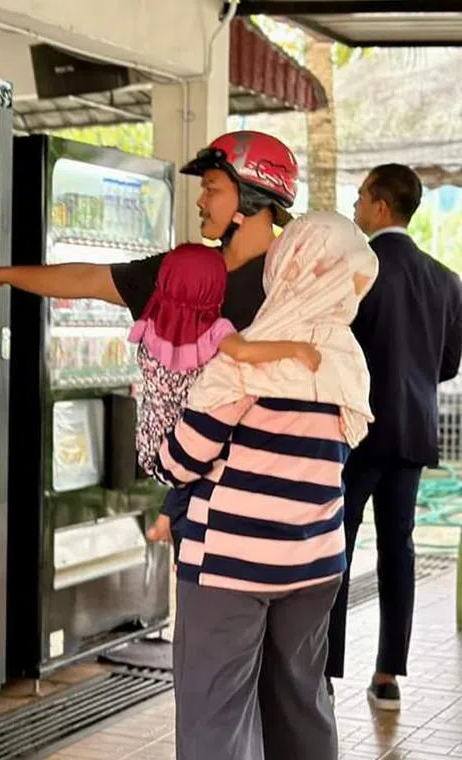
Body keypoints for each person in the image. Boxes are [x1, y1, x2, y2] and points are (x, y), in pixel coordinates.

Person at [0, 130, 300, 544]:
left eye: (211, 189)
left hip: (282, 490)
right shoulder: (182, 275)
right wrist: (1, 275)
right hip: (204, 492)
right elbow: (90, 278)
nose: (201, 201)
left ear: (251, 197)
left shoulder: (295, 278)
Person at [157, 210, 377, 759]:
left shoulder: (247, 356)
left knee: (218, 715)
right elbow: (339, 447)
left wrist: (161, 438)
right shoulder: (349, 360)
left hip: (231, 565)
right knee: (301, 701)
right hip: (317, 563)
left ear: (286, 266)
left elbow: (182, 461)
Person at [325, 164, 462, 710]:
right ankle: (388, 675)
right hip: (413, 432)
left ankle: (325, 669)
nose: (356, 205)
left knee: (335, 545)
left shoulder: (357, 273)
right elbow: (448, 365)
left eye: (361, 196)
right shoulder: (446, 279)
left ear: (382, 206)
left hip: (355, 431)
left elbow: (336, 349)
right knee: (398, 550)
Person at [127, 242, 321, 504]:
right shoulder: (215, 328)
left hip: (149, 444)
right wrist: (296, 349)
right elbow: (243, 353)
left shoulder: (153, 318)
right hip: (187, 446)